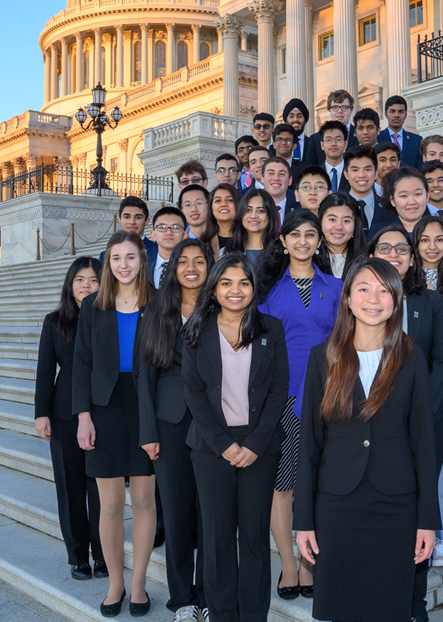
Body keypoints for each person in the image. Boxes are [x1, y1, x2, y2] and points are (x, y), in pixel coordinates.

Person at [295, 256, 439, 622]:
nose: (373, 298)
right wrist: (304, 521)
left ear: (396, 301)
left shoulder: (411, 357)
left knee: (390, 607)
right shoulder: (322, 358)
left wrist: (427, 520)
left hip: (396, 505)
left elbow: (423, 442)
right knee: (342, 607)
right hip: (337, 504)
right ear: (347, 299)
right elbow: (309, 444)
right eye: (363, 288)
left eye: (383, 290)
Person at [182, 253, 289, 622]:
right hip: (212, 447)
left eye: (243, 282)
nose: (235, 290)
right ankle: (223, 614)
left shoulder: (271, 329)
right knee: (216, 540)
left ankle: (254, 615)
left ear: (253, 287)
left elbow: (278, 390)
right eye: (226, 282)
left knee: (255, 540)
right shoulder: (197, 329)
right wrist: (223, 444)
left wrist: (255, 445)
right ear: (214, 287)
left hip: (260, 446)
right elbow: (193, 392)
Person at [255, 210, 343, 602]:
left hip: (329, 397)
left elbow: (345, 342)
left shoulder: (338, 286)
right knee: (284, 485)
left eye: (311, 235)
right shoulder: (269, 290)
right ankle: (290, 565)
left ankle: (311, 565)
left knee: (322, 485)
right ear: (284, 241)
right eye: (296, 235)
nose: (303, 241)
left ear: (319, 242)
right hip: (286, 400)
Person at [367, 227, 443, 621]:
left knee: (418, 514)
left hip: (422, 424)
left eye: (402, 249)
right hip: (368, 427)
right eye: (385, 248)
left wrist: (421, 408)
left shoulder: (431, 301)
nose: (394, 254)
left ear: (412, 258)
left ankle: (414, 604)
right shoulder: (360, 302)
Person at [74, 231, 157, 618]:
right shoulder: (93, 305)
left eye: (131, 257)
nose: (124, 265)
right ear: (108, 263)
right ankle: (115, 584)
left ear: (142, 261)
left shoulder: (159, 304)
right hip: (104, 408)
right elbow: (81, 365)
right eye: (117, 258)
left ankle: (138, 584)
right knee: (109, 505)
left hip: (145, 408)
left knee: (142, 500)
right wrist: (84, 417)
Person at [138, 239, 215, 622]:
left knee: (210, 515)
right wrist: (148, 431)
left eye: (199, 261)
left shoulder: (222, 307)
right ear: (173, 268)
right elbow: (145, 375)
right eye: (183, 261)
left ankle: (206, 594)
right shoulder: (157, 309)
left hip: (213, 425)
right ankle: (182, 600)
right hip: (169, 425)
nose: (191, 267)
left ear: (209, 266)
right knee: (179, 515)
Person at [35, 256, 105, 582]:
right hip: (64, 414)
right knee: (70, 487)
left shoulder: (110, 317)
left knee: (102, 489)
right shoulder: (54, 321)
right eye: (80, 280)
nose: (86, 286)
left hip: (105, 412)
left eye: (93, 280)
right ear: (70, 283)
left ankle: (104, 553)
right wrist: (41, 413)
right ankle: (78, 556)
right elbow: (45, 372)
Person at [98, 196, 159, 276]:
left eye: (138, 217)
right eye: (127, 217)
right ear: (119, 221)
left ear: (147, 221)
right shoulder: (105, 256)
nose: (132, 222)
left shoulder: (158, 251)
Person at [344, 145, 397, 235]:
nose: (362, 175)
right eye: (355, 170)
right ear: (346, 174)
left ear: (376, 173)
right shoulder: (336, 207)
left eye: (367, 169)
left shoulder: (389, 208)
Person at [226, 188, 281, 265]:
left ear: (270, 216)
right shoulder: (228, 252)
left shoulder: (282, 251)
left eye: (261, 211)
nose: (253, 216)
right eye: (248, 210)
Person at [319, 193, 367, 280]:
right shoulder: (309, 259)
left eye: (346, 221)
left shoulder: (366, 261)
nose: (339, 227)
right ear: (320, 221)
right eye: (332, 220)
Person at [376, 167, 428, 239]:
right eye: (404, 196)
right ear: (393, 200)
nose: (412, 202)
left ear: (427, 196)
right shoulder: (378, 231)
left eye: (418, 194)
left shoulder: (440, 229)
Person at [378, 95, 422, 168]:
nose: (396, 115)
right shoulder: (378, 138)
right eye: (392, 111)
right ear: (385, 114)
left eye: (400, 112)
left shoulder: (416, 141)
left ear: (406, 115)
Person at [151, 206, 188, 288]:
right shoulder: (143, 268)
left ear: (185, 235)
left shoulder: (191, 269)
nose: (168, 232)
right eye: (162, 227)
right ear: (153, 235)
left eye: (175, 228)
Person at [282, 98, 318, 165]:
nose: (295, 119)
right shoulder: (277, 146)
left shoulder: (314, 144)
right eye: (291, 116)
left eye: (300, 116)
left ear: (305, 120)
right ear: (286, 120)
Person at [319, 121, 349, 194]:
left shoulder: (353, 173)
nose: (333, 144)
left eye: (338, 139)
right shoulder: (316, 174)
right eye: (329, 140)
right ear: (322, 145)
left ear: (345, 144)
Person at [210, 184, 240, 254]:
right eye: (218, 200)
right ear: (211, 209)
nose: (223, 204)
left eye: (229, 200)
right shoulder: (203, 243)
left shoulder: (250, 240)